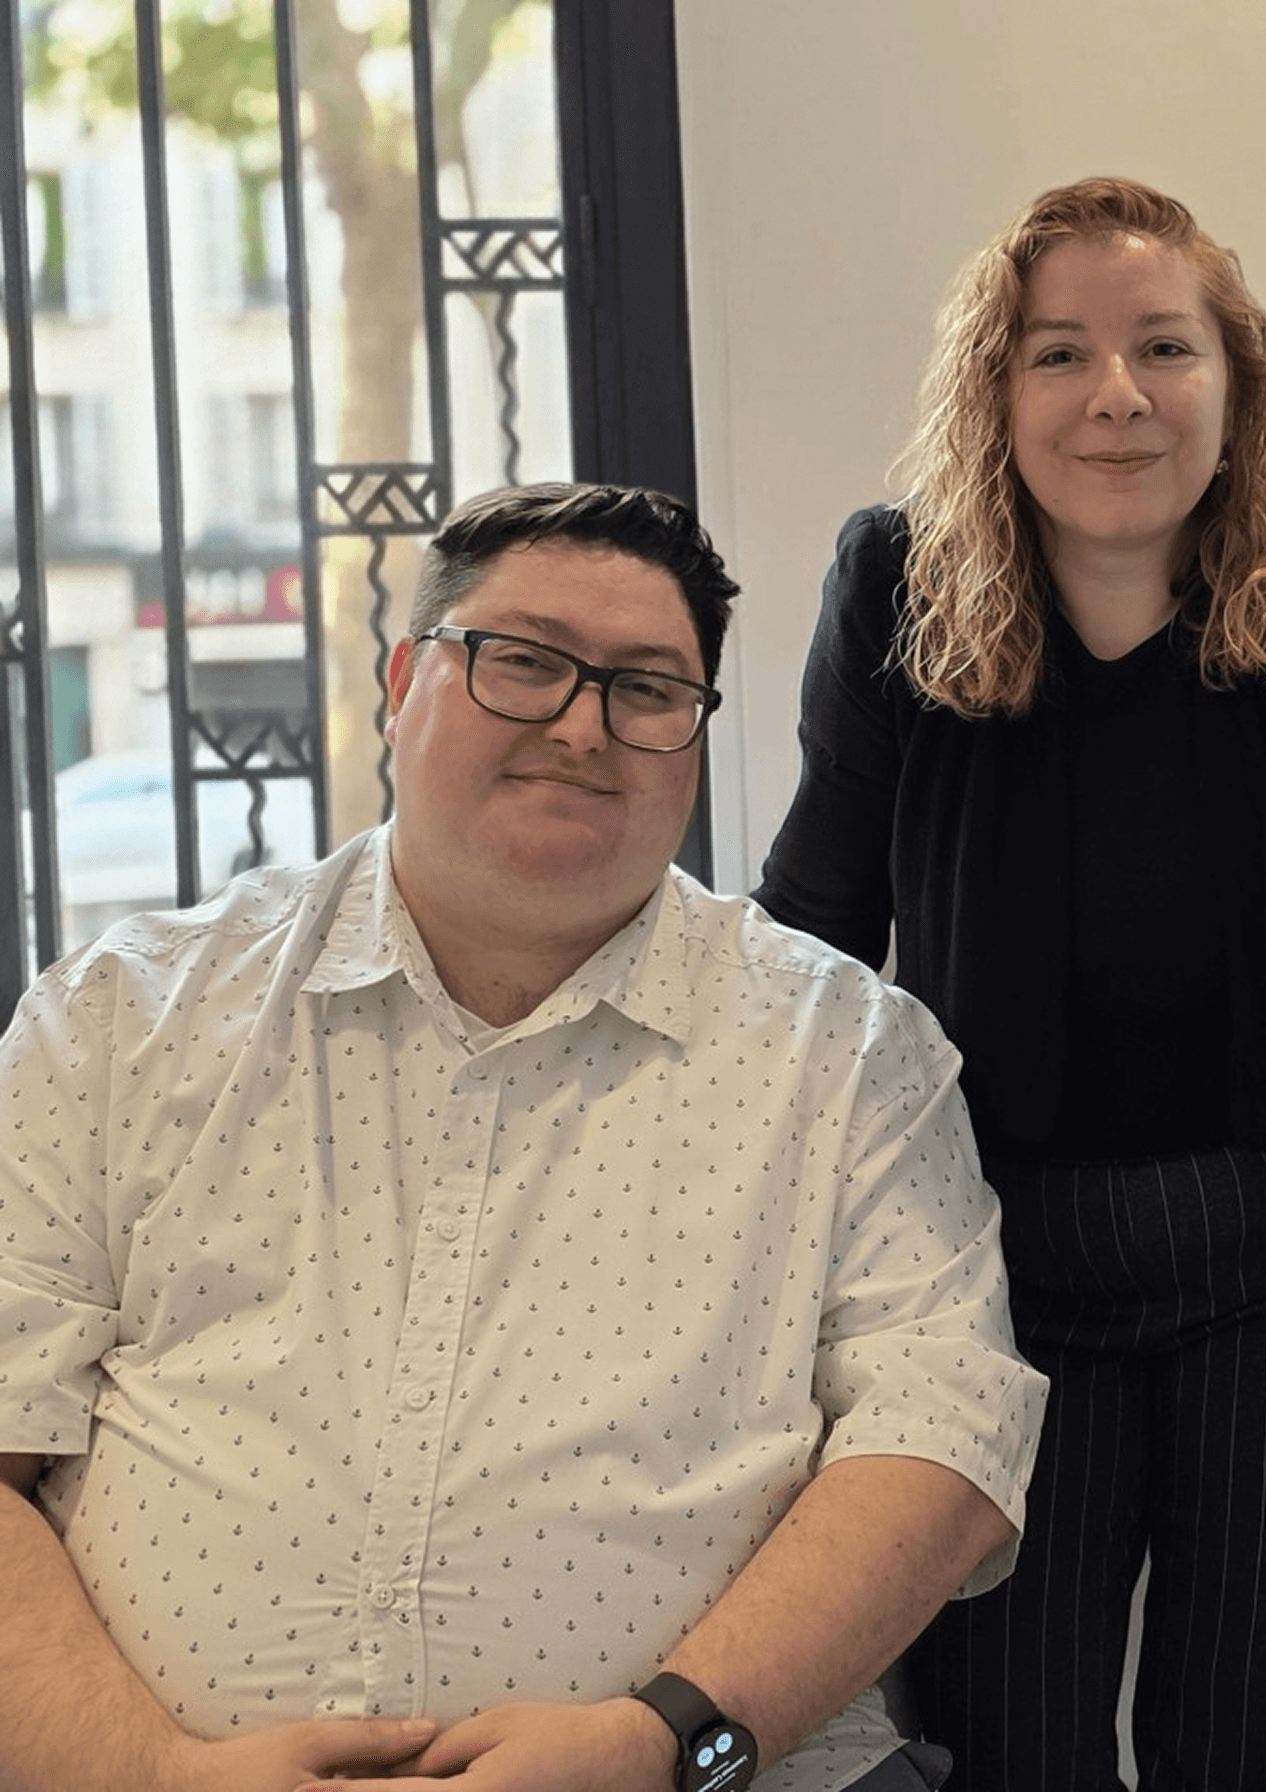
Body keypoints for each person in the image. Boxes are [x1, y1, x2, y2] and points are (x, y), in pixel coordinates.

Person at [0, 482, 1046, 1792]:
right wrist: (149, 1772)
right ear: (402, 684)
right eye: (523, 662)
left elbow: (946, 1447)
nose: (581, 724)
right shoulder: (118, 1020)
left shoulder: (848, 1054)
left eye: (646, 689)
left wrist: (668, 1745)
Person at [753, 177, 1266, 1792]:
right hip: (981, 1271)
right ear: (995, 390)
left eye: (1164, 347)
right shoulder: (899, 581)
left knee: (1258, 1739)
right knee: (1003, 1740)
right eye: (1059, 352)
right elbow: (815, 925)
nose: (1116, 394)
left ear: (1236, 379)